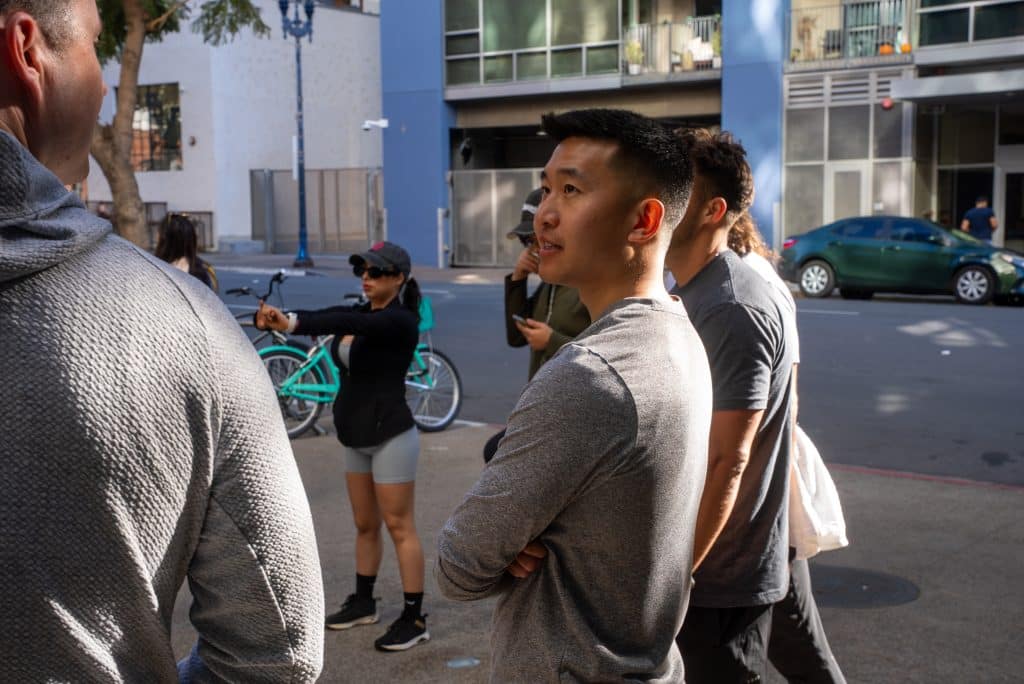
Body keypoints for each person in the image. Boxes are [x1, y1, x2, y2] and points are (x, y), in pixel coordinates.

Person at [0, 1, 324, 680]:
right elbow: (280, 653)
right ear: (27, 50)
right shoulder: (184, 327)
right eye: (94, 45)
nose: (108, 85)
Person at [436, 108, 713, 682]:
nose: (545, 214)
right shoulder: (679, 332)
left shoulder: (590, 374)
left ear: (644, 220)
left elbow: (458, 566)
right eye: (545, 188)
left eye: (571, 189)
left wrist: (510, 541)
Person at [255, 241, 431, 652]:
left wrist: (291, 322)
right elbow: (344, 319)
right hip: (355, 434)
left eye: (375, 272)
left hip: (391, 434)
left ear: (399, 278)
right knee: (365, 525)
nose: (366, 278)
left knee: (399, 526)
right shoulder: (363, 314)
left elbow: (343, 320)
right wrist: (289, 322)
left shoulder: (401, 321)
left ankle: (415, 617)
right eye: (362, 271)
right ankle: (364, 602)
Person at [666, 129, 796, 683]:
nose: (659, 197)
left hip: (719, 575)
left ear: (713, 210)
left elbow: (729, 462)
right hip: (735, 559)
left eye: (676, 188)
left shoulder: (729, 305)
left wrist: (675, 575)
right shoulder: (697, 289)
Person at [730, 214, 847, 684]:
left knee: (800, 643)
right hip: (760, 503)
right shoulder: (726, 275)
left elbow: (786, 395)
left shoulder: (748, 281)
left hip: (762, 501)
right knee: (796, 642)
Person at [481, 188, 590, 462]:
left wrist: (552, 341)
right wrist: (518, 278)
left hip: (573, 413)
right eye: (526, 241)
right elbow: (516, 337)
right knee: (493, 454)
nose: (534, 248)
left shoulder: (586, 286)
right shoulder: (548, 285)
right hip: (540, 406)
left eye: (536, 240)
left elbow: (605, 356)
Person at [154, 212, 218, 291]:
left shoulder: (155, 270)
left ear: (164, 240)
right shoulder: (203, 270)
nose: (157, 238)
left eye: (159, 234)